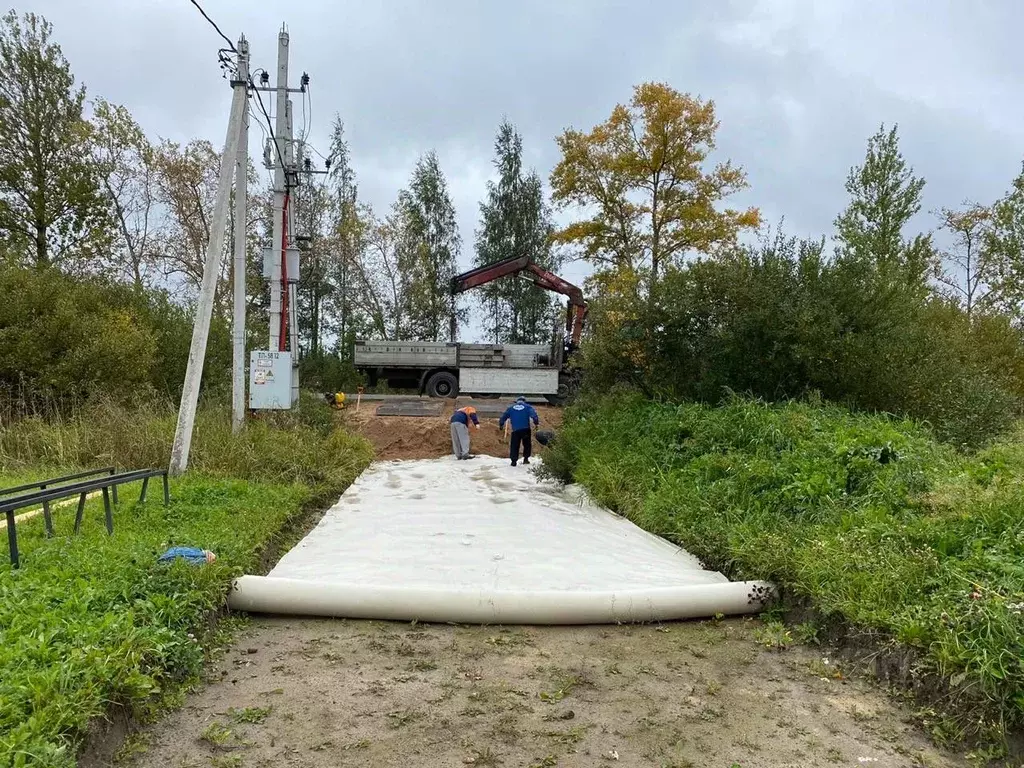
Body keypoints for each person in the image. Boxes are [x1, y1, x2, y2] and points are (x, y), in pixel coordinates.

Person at [499, 396, 540, 467]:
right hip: (525, 429)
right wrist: (536, 423)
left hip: (515, 430)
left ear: (517, 401)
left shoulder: (511, 408)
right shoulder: (528, 407)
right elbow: (534, 416)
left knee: (514, 445)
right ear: (524, 401)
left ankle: (513, 461)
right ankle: (526, 459)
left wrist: (501, 424)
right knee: (527, 444)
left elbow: (504, 417)